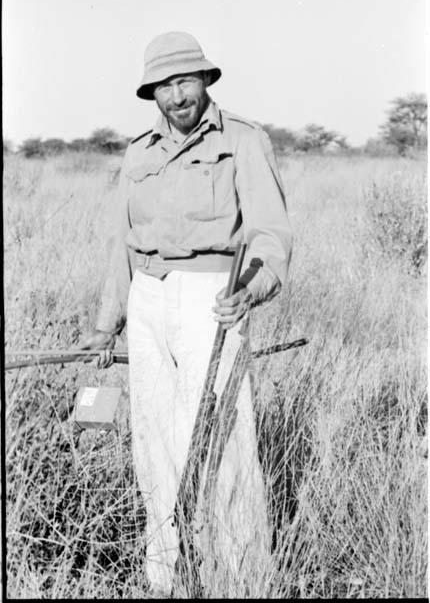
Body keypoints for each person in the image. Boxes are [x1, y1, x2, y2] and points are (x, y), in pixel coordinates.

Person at [81, 31, 293, 596]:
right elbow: (122, 242)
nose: (177, 96)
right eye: (164, 86)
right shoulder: (138, 151)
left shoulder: (244, 141)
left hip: (214, 299)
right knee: (153, 443)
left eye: (185, 80)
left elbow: (270, 234)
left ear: (205, 80)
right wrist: (108, 323)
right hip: (146, 300)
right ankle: (166, 578)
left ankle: (244, 580)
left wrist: (251, 290)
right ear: (151, 93)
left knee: (224, 441)